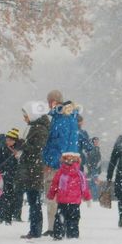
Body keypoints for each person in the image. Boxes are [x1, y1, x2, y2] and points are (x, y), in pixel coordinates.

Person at [42, 91, 79, 234]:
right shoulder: (68, 117)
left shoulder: (61, 118)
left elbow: (58, 144)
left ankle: (54, 227)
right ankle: (60, 226)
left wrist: (50, 162)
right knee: (62, 197)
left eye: (48, 101)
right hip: (65, 163)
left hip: (58, 164)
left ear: (53, 101)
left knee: (53, 197)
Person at [17, 102, 51, 239]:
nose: (24, 118)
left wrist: (23, 145)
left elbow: (38, 150)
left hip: (34, 169)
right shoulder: (35, 128)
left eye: (26, 115)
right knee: (33, 200)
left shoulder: (39, 129)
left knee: (34, 201)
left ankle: (35, 230)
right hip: (32, 168)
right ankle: (34, 229)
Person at [48, 152, 92, 239]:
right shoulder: (79, 174)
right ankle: (72, 235)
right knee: (73, 219)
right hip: (73, 202)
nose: (70, 161)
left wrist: (51, 195)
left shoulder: (61, 173)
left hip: (64, 201)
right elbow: (84, 188)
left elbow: (54, 185)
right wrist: (87, 198)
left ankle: (59, 234)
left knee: (60, 218)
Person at [0, 128, 20, 224]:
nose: (8, 142)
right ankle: (0, 217)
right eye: (7, 140)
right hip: (3, 176)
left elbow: (19, 165)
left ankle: (8, 218)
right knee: (2, 197)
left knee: (11, 197)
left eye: (11, 140)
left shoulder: (18, 150)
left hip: (13, 177)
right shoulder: (2, 149)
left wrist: (18, 158)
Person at [85, 136, 102, 201]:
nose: (97, 142)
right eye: (95, 141)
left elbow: (99, 160)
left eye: (97, 141)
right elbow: (91, 159)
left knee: (93, 183)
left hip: (95, 169)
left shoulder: (97, 148)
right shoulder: (92, 149)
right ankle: (94, 198)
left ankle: (92, 197)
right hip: (93, 169)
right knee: (94, 184)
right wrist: (92, 168)